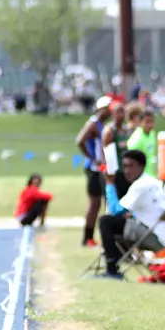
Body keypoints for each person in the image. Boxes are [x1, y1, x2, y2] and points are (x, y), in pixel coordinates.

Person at [96, 150, 165, 279]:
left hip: (153, 236)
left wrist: (109, 184)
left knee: (106, 221)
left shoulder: (140, 185)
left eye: (131, 166)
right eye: (124, 166)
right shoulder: (153, 181)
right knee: (119, 222)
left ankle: (112, 268)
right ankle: (117, 260)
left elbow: (115, 210)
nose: (127, 171)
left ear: (141, 166)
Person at [75, 95, 112, 247]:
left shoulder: (102, 125)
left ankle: (95, 236)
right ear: (101, 109)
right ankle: (87, 237)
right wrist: (92, 158)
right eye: (108, 109)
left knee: (102, 202)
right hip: (94, 169)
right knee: (95, 203)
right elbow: (80, 141)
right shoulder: (93, 124)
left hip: (100, 168)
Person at [102, 101, 131, 199]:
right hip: (115, 172)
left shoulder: (126, 130)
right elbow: (106, 154)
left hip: (126, 171)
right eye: (118, 112)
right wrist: (110, 175)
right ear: (113, 114)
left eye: (123, 112)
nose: (121, 115)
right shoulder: (110, 131)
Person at [127, 111, 158, 177]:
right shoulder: (136, 139)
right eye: (147, 122)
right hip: (142, 176)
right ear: (140, 123)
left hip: (152, 175)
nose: (150, 124)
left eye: (152, 121)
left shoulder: (152, 133)